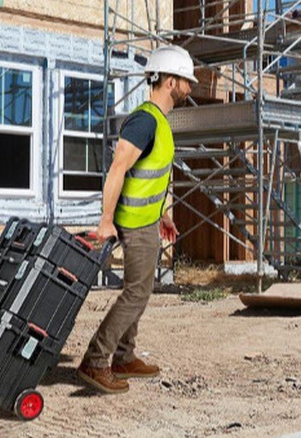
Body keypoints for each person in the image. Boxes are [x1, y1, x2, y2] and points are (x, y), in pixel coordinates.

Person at [77, 45, 197, 394]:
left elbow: (152, 174)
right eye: (186, 80)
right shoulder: (145, 120)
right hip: (132, 222)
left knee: (141, 291)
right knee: (136, 292)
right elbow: (118, 169)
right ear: (171, 81)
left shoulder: (159, 122)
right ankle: (96, 360)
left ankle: (125, 357)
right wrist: (105, 220)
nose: (190, 86)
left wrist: (165, 213)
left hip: (148, 220)